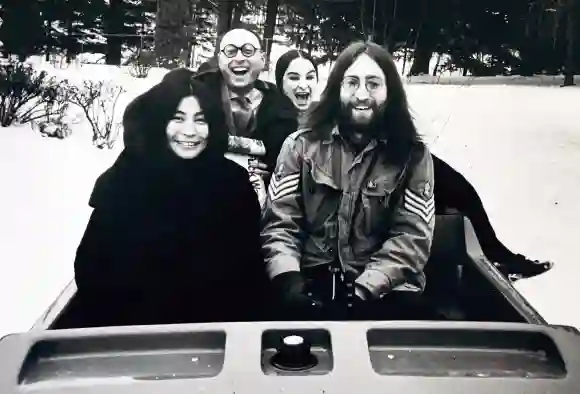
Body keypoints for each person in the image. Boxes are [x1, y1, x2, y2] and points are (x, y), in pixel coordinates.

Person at [273, 49, 553, 281]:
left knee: (457, 191)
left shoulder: (407, 150)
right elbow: (281, 219)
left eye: (310, 76)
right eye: (293, 77)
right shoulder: (283, 125)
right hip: (323, 248)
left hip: (383, 170)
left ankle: (498, 256)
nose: (303, 84)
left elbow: (412, 235)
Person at [262, 41, 439, 321]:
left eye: (373, 84)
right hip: (310, 282)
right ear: (336, 89)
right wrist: (288, 279)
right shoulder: (300, 146)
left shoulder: (413, 157)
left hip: (386, 288)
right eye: (352, 83)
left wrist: (365, 289)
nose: (362, 95)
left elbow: (412, 238)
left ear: (390, 92)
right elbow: (280, 223)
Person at [73, 75, 267, 327]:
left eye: (201, 120)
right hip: (134, 335)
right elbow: (93, 272)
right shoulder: (124, 180)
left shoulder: (233, 183)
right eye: (177, 118)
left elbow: (249, 274)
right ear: (157, 121)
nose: (190, 131)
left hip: (214, 338)